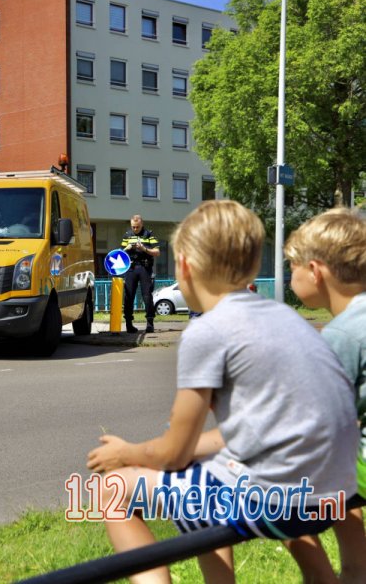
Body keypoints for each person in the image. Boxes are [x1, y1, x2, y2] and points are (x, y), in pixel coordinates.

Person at [87, 200, 357, 583]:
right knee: (206, 473)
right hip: (334, 493)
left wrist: (125, 453)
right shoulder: (285, 317)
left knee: (112, 488)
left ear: (184, 267)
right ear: (252, 268)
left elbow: (174, 451)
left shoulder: (207, 330)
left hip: (278, 500)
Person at [285, 208, 366, 584]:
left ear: (315, 272)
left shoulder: (341, 335)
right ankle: (355, 569)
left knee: (276, 493)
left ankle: (326, 578)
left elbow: (311, 418)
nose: (291, 277)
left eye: (292, 267)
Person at [121, 214, 160, 333]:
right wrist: (126, 249)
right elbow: (120, 254)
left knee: (147, 296)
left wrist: (144, 249)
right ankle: (129, 324)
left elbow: (157, 252)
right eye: (133, 227)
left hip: (145, 267)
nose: (135, 229)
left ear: (142, 224)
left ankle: (150, 323)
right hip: (131, 268)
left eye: (137, 227)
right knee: (128, 296)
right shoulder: (127, 235)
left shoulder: (149, 234)